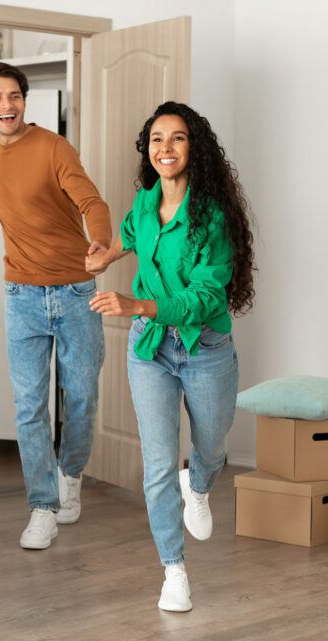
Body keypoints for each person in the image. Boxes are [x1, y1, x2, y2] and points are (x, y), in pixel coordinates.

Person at [85, 101, 255, 612]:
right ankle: (174, 571)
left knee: (212, 441)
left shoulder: (212, 218)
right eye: (157, 139)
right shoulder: (143, 202)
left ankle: (199, 485)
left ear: (193, 147)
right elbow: (133, 236)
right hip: (150, 350)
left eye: (177, 138)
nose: (165, 148)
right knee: (157, 465)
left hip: (204, 348)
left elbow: (207, 298)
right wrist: (107, 253)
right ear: (148, 150)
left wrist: (137, 303)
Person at [0, 62, 111, 550]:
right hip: (21, 297)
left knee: (80, 398)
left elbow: (91, 202)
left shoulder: (54, 147)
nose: (6, 105)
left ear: (24, 101)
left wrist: (99, 242)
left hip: (77, 291)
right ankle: (42, 506)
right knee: (30, 406)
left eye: (13, 96)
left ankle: (70, 475)